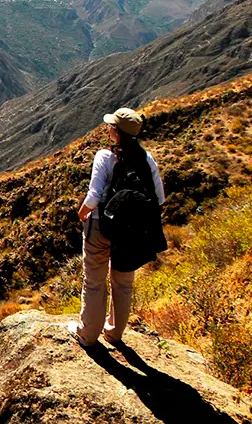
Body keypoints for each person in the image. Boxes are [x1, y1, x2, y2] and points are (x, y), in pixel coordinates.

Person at [67, 108, 165, 346]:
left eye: (111, 126)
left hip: (101, 227)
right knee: (123, 283)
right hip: (130, 233)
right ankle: (114, 333)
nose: (108, 129)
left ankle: (88, 335)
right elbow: (159, 198)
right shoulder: (146, 160)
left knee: (94, 281)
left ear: (117, 132)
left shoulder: (104, 157)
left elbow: (94, 196)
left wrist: (82, 215)